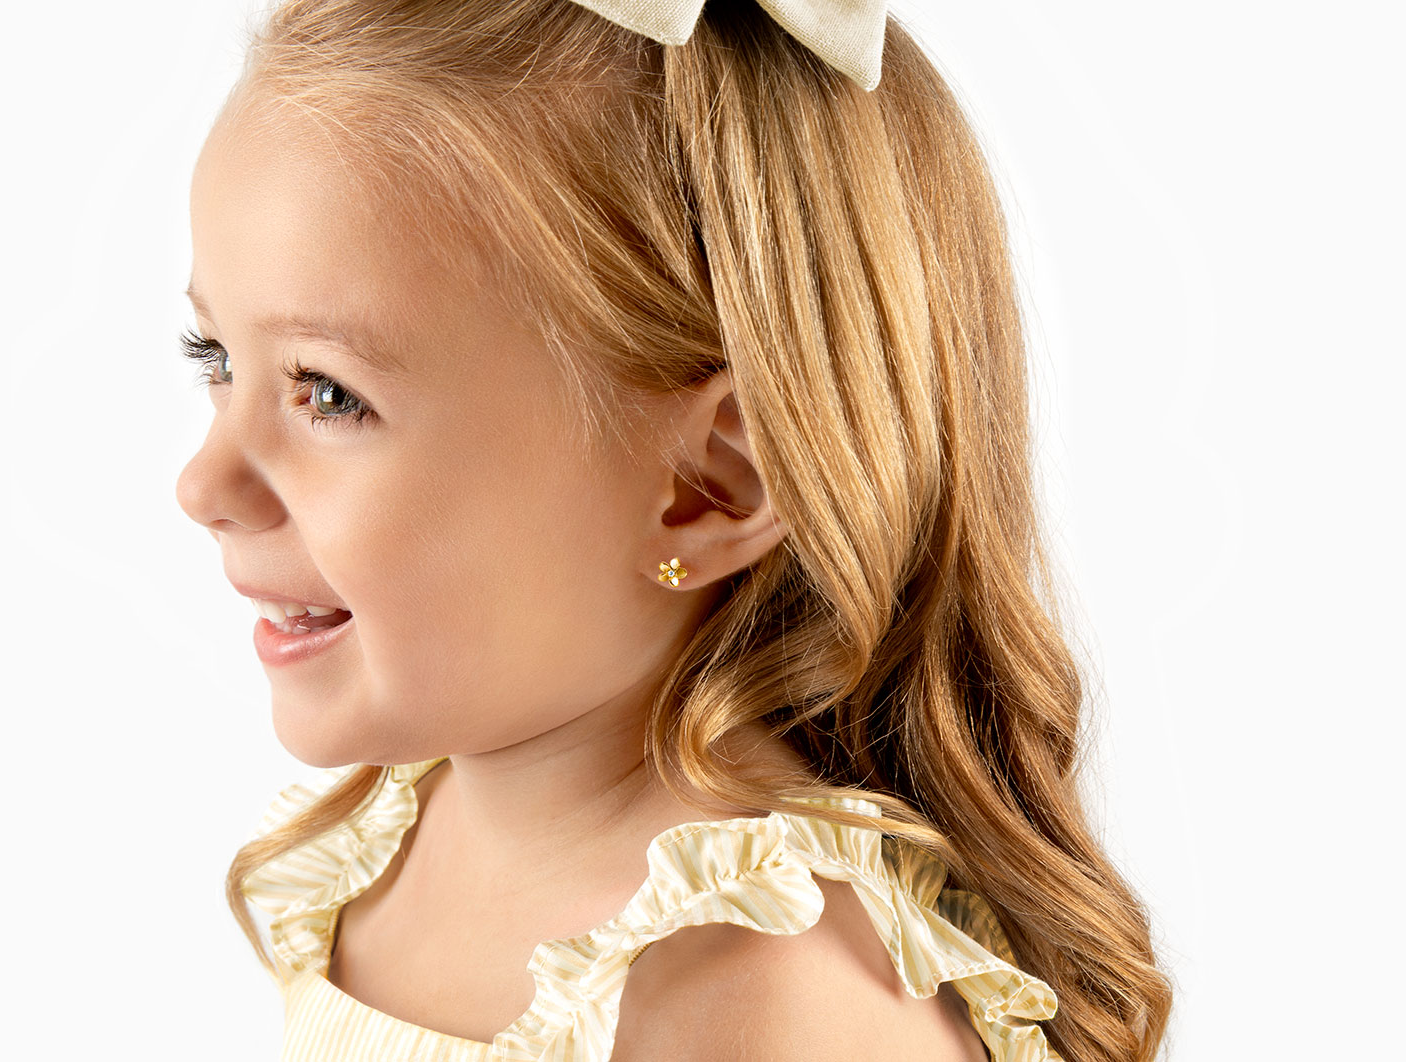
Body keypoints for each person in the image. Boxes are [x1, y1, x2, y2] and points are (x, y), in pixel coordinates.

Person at [171, 1, 1172, 1060]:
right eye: (216, 359)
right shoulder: (393, 834)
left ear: (712, 486)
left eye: (328, 396)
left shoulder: (762, 994)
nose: (205, 482)